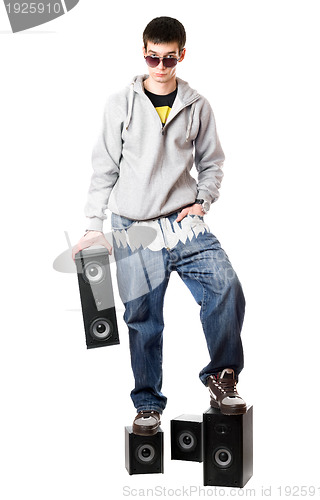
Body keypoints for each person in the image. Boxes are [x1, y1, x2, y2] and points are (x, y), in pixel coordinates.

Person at [72, 16, 247, 436]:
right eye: (153, 57)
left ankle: (221, 378)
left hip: (184, 222)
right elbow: (104, 170)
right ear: (144, 52)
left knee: (226, 286)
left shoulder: (197, 105)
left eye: (169, 58)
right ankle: (148, 403)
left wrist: (204, 201)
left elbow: (212, 163)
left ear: (182, 55)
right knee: (142, 317)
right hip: (134, 227)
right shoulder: (121, 103)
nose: (161, 66)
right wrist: (94, 225)